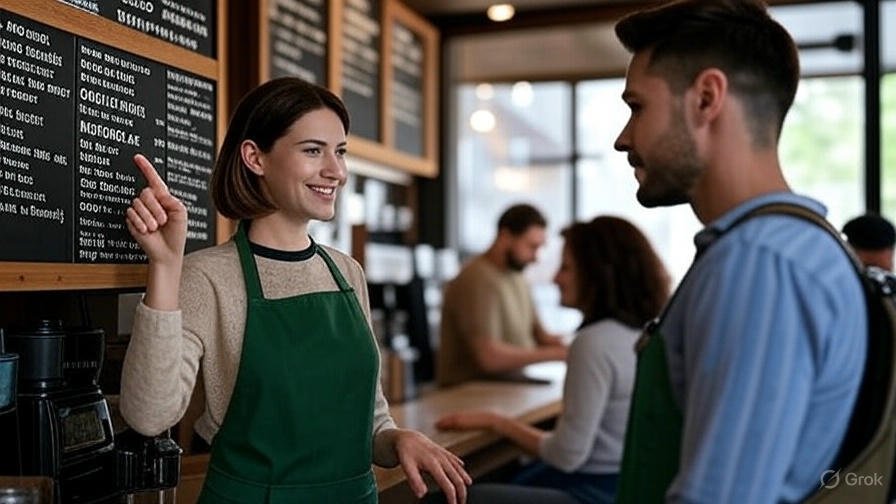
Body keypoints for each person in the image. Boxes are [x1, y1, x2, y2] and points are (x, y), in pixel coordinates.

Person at [119, 77, 470, 503]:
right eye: (312, 150)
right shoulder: (208, 276)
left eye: (339, 152)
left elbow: (370, 422)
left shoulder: (347, 272)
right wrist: (165, 266)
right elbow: (148, 416)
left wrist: (396, 440)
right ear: (255, 157)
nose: (336, 171)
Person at [611, 1, 867, 502]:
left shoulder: (760, 262)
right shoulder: (796, 245)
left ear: (706, 98)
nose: (623, 139)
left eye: (637, 107)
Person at [436, 216, 671, 504]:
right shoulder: (641, 331)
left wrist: (498, 423)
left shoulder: (594, 343)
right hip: (625, 485)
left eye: (566, 267)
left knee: (456, 496)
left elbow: (567, 454)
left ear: (597, 273)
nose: (554, 277)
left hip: (594, 491)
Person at [436, 204, 568, 387]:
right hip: (469, 398)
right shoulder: (476, 278)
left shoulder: (518, 277)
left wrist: (577, 343)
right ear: (505, 237)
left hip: (506, 392)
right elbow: (489, 357)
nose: (536, 257)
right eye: (532, 246)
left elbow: (541, 337)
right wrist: (559, 354)